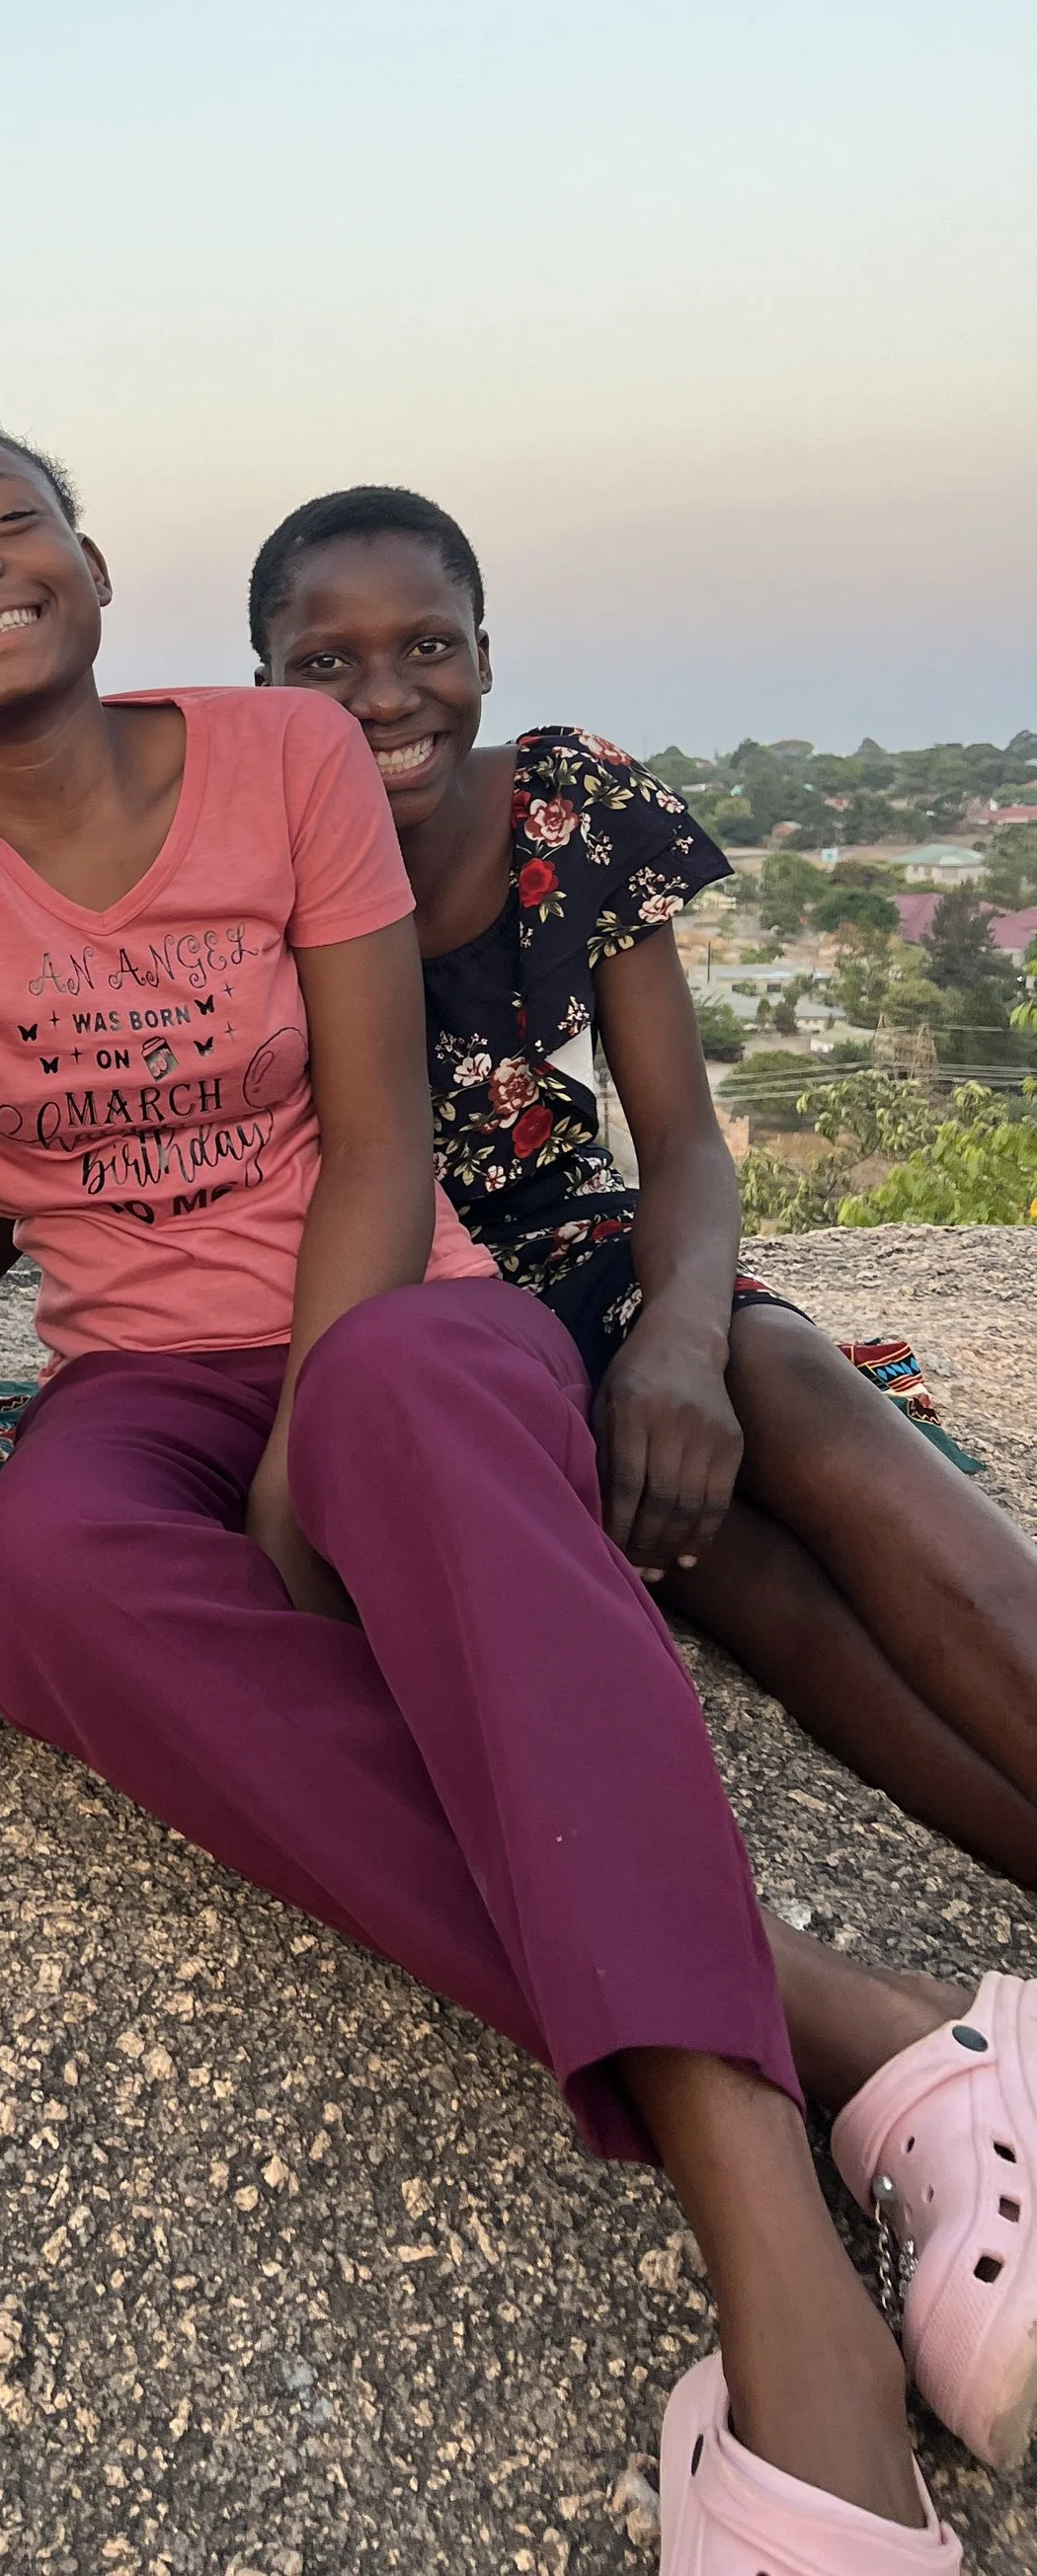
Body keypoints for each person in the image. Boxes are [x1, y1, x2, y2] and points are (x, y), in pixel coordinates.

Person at [0, 404, 1035, 2572]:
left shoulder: (277, 757)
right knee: (50, 1586)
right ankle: (888, 2047)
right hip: (128, 1359)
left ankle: (795, 2331)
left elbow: (377, 1137)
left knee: (422, 1405)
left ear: (83, 560)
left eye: (4, 519)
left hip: (397, 1304)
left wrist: (299, 1475)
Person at [246, 482, 1037, 1894]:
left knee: (781, 1388)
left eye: (429, 645)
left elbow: (679, 1139)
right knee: (749, 1586)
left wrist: (679, 1339)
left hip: (583, 1246)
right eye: (326, 662)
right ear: (265, 685)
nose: (387, 694)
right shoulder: (229, 847)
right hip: (404, 1313)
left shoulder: (565, 802)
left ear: (486, 653)